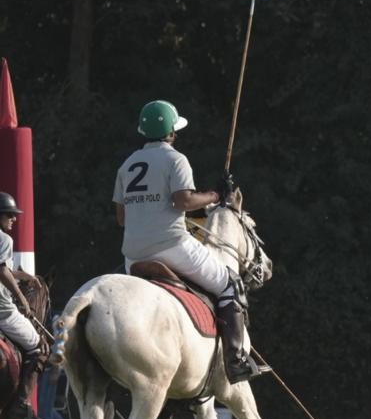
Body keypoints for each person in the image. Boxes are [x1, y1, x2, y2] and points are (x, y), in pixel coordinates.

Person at [113, 100, 267, 384]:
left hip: (132, 255)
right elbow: (183, 201)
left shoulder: (127, 164)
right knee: (230, 283)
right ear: (171, 131)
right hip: (171, 246)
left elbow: (121, 218)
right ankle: (236, 362)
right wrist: (215, 196)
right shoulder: (175, 159)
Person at [0, 193, 46, 419]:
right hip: (2, 312)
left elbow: (6, 269)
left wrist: (24, 276)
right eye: (9, 215)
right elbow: (2, 272)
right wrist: (22, 299)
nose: (14, 219)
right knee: (38, 347)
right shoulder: (4, 239)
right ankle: (20, 403)